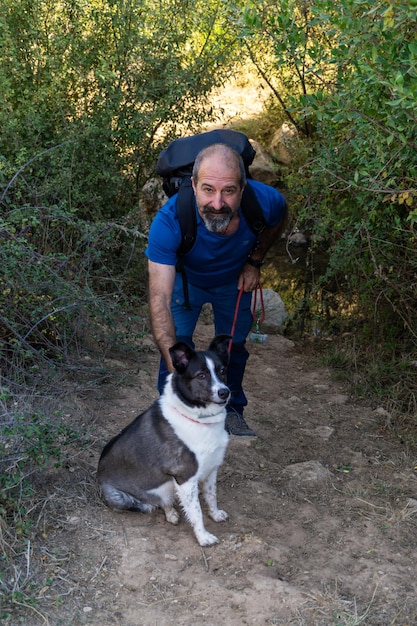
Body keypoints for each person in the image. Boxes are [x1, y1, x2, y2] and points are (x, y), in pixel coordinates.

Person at [145, 142, 287, 436]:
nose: (218, 203)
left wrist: (255, 261)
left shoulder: (265, 201)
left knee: (233, 347)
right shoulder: (169, 221)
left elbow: (279, 217)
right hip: (187, 283)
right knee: (176, 348)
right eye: (208, 189)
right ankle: (171, 416)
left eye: (229, 191)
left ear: (243, 188)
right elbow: (159, 298)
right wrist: (182, 378)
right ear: (193, 185)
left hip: (233, 282)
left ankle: (232, 412)